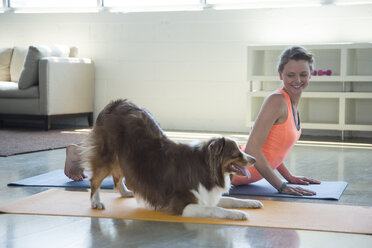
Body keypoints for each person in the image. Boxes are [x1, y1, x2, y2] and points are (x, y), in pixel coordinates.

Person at [232, 45, 320, 196]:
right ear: (280, 74)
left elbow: (274, 150)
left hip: (240, 172)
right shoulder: (277, 100)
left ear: (310, 75)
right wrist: (280, 186)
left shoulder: (290, 104)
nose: (297, 80)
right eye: (290, 75)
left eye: (303, 74)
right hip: (225, 170)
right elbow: (252, 150)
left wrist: (288, 177)